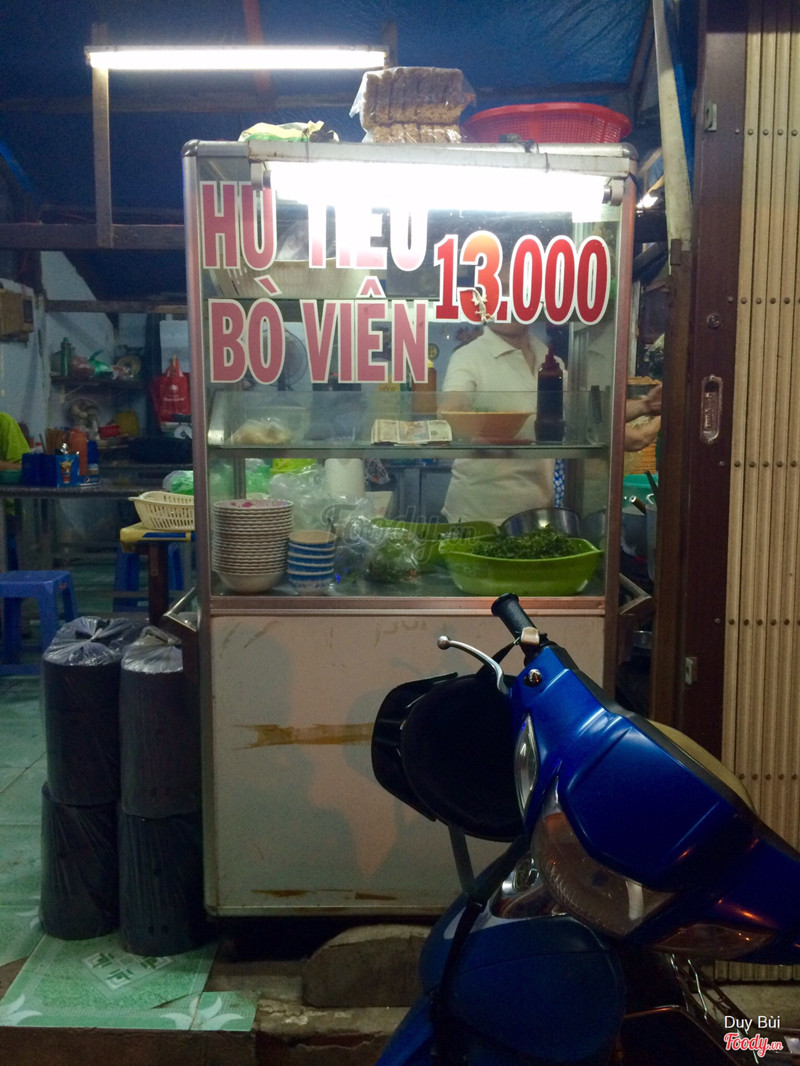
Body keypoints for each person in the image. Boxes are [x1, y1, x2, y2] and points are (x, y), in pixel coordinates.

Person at [440, 317, 557, 524]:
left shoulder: (550, 359)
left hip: (539, 511)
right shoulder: (468, 356)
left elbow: (571, 420)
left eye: (515, 299)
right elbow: (448, 413)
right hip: (479, 514)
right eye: (502, 299)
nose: (509, 307)